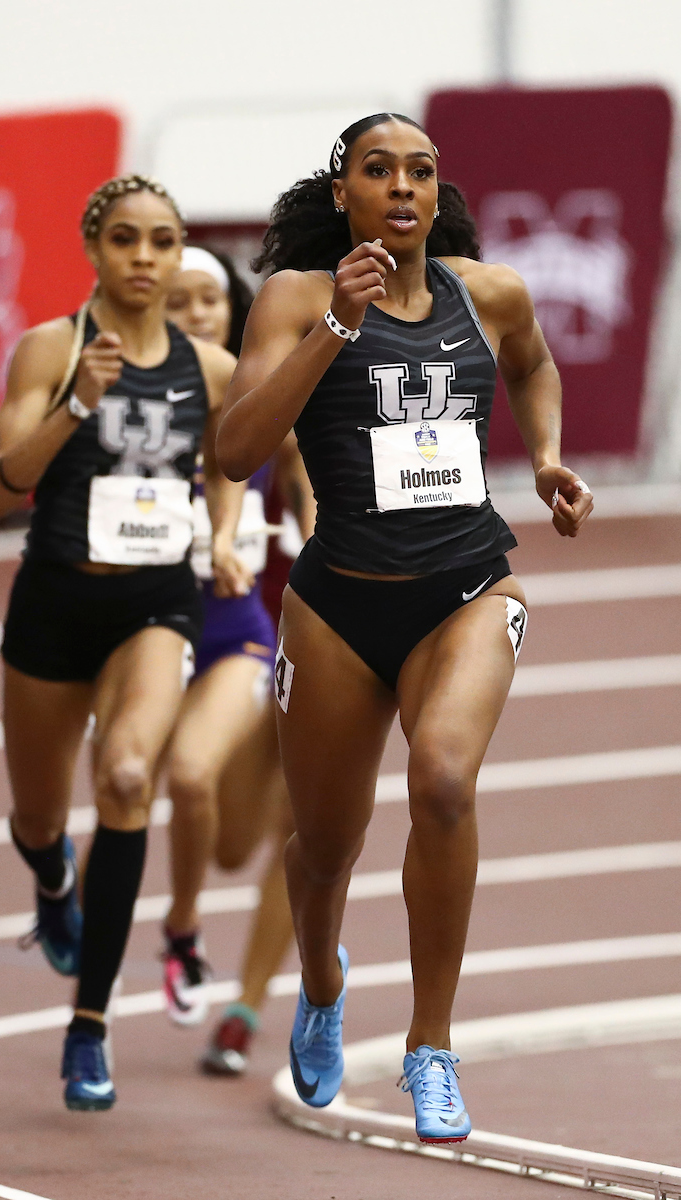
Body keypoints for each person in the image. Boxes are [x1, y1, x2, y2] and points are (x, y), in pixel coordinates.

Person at [216, 113, 593, 1142]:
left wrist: (548, 454)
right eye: (376, 170)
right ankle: (323, 979)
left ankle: (431, 1046)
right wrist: (334, 328)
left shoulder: (491, 293)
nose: (399, 187)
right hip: (337, 607)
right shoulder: (296, 299)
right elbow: (233, 443)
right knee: (323, 849)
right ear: (342, 192)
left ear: (436, 193)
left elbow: (532, 366)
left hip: (465, 588)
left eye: (418, 172)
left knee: (439, 780)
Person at [0, 174, 250, 1112]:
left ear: (179, 256)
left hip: (156, 607)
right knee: (42, 819)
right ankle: (52, 876)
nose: (144, 258)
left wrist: (219, 533)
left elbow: (230, 466)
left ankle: (89, 1027)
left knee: (130, 778)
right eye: (126, 239)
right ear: (93, 246)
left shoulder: (208, 369)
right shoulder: (51, 350)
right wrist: (74, 407)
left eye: (163, 242)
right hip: (53, 606)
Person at [160, 247, 313, 1075]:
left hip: (303, 641)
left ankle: (249, 1007)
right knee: (225, 841)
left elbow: (309, 478)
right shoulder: (153, 402)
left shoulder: (282, 405)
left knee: (304, 832)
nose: (196, 316)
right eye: (179, 304)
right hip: (201, 638)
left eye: (211, 302)